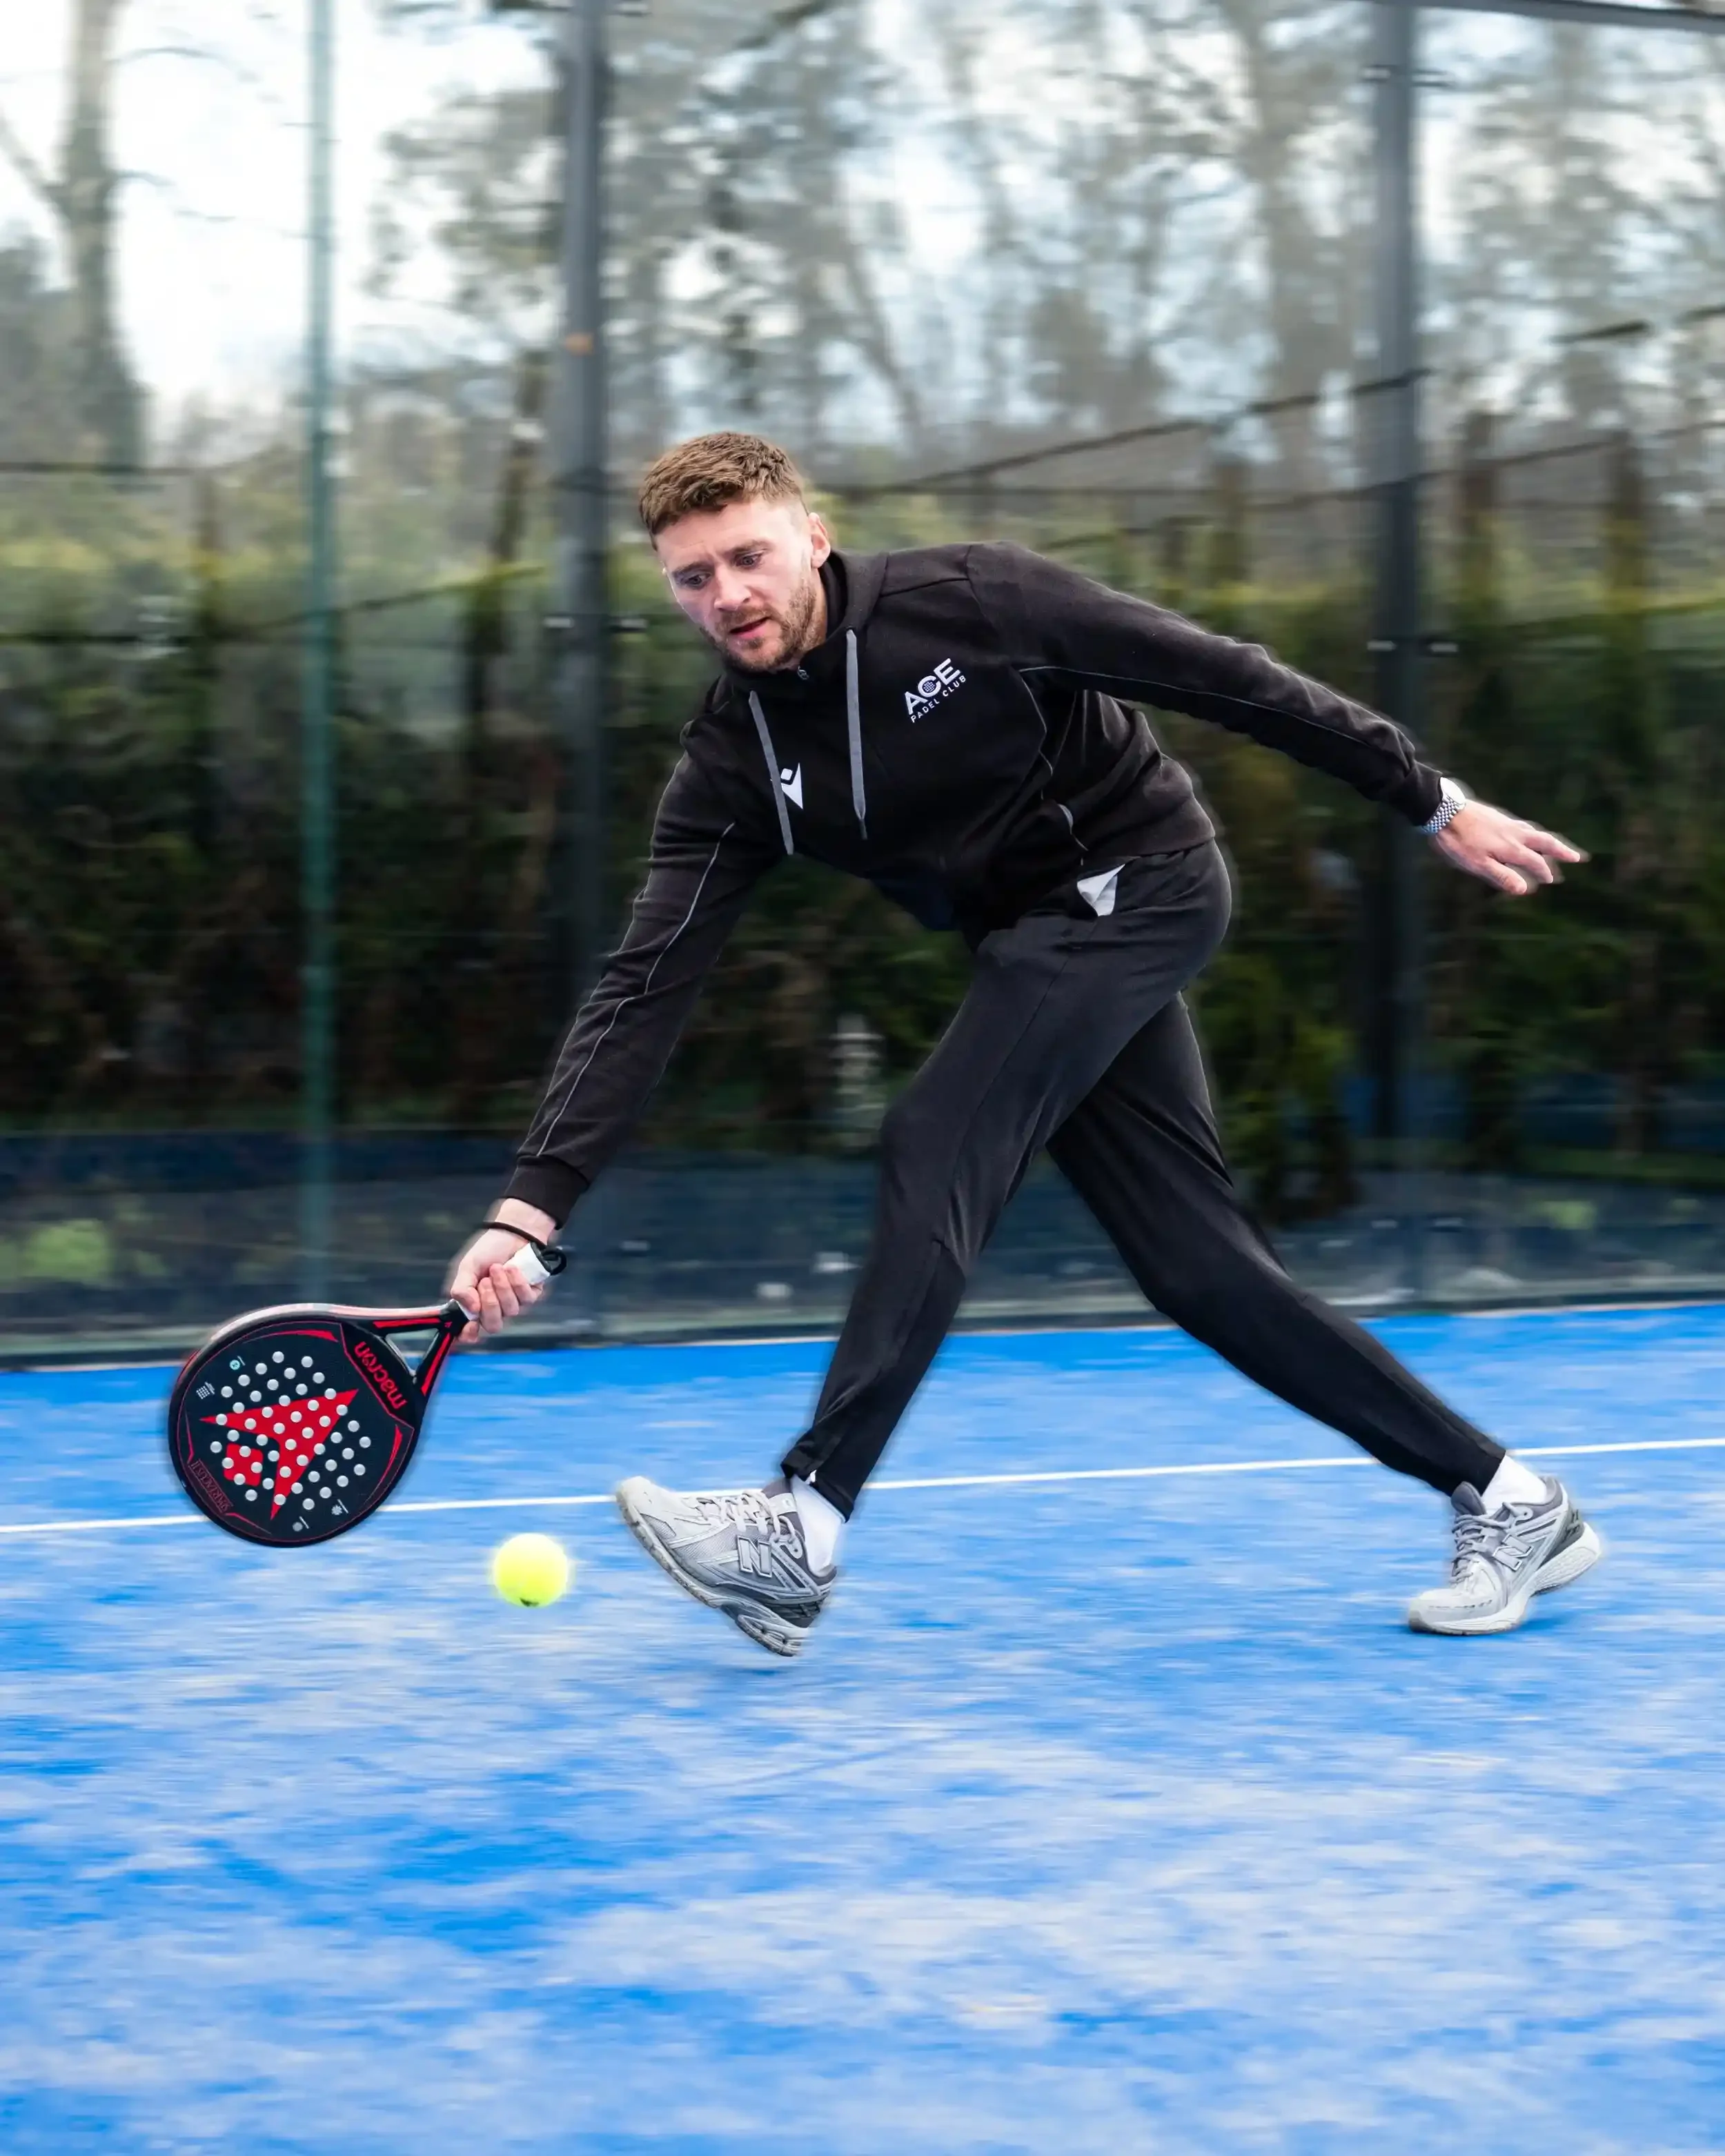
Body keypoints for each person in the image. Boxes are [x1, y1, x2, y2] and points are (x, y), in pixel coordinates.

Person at [449, 430, 1601, 1658]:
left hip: (1140, 884)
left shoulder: (976, 600)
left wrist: (1432, 801)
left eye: (749, 557)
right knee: (1200, 1271)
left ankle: (803, 1525)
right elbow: (647, 984)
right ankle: (1514, 1501)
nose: (729, 595)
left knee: (937, 1133)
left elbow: (1232, 680)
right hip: (1037, 945)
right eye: (694, 578)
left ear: (813, 538)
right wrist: (530, 1210)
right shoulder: (735, 758)